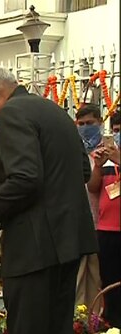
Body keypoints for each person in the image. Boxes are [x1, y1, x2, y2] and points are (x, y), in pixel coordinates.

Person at [0, 66, 98, 334]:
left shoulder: (12, 113)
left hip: (33, 249)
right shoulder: (54, 111)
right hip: (67, 243)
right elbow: (84, 171)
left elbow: (25, 178)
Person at [87, 111, 121, 328]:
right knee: (109, 283)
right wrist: (99, 166)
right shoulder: (106, 157)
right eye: (116, 131)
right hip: (106, 230)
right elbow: (92, 187)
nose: (118, 135)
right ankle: (113, 328)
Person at [74, 103, 102, 312]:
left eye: (89, 123)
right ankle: (81, 321)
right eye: (81, 124)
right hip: (78, 222)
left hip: (104, 224)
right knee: (79, 279)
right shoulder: (73, 149)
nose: (85, 128)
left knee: (98, 277)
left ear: (100, 123)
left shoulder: (109, 150)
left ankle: (98, 317)